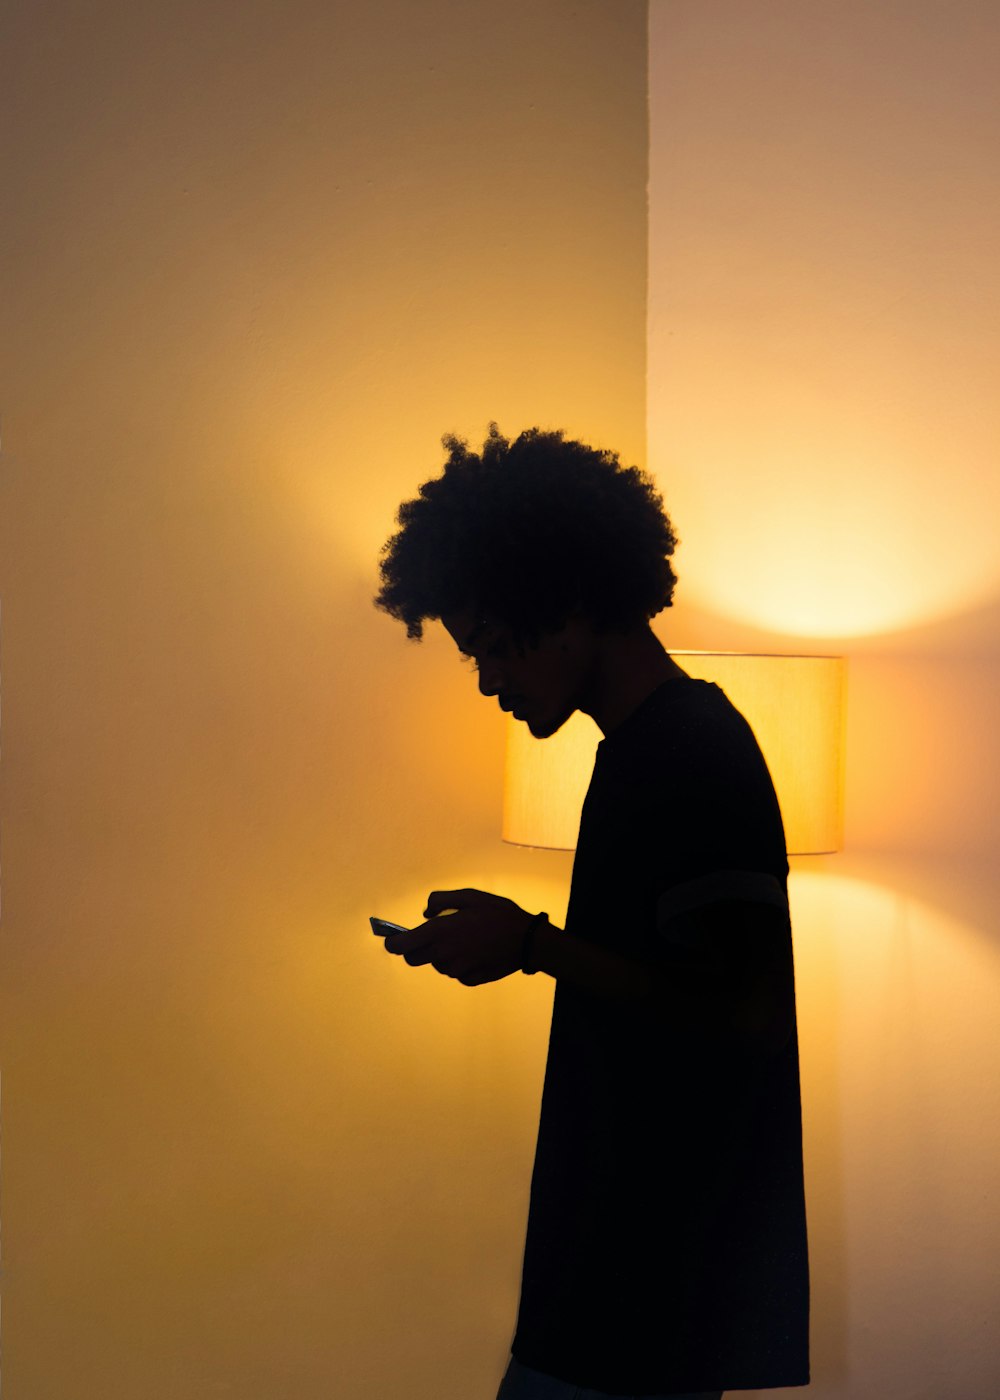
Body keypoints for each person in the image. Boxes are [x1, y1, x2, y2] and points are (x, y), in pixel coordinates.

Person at [373, 426, 810, 1400]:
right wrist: (526, 937)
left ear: (565, 605)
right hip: (622, 1280)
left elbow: (733, 1006)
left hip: (644, 1288)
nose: (486, 680)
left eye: (489, 644)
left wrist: (529, 944)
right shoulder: (644, 751)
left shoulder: (691, 752)